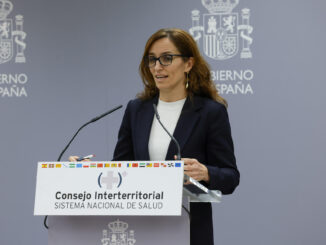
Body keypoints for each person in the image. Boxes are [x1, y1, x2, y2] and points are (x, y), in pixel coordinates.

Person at [112, 28, 240, 245]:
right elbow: (120, 168)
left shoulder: (210, 112)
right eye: (152, 60)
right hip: (141, 230)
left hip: (189, 232)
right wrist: (83, 171)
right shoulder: (137, 110)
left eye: (167, 59)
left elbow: (230, 177)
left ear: (188, 64)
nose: (157, 67)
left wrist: (206, 172)